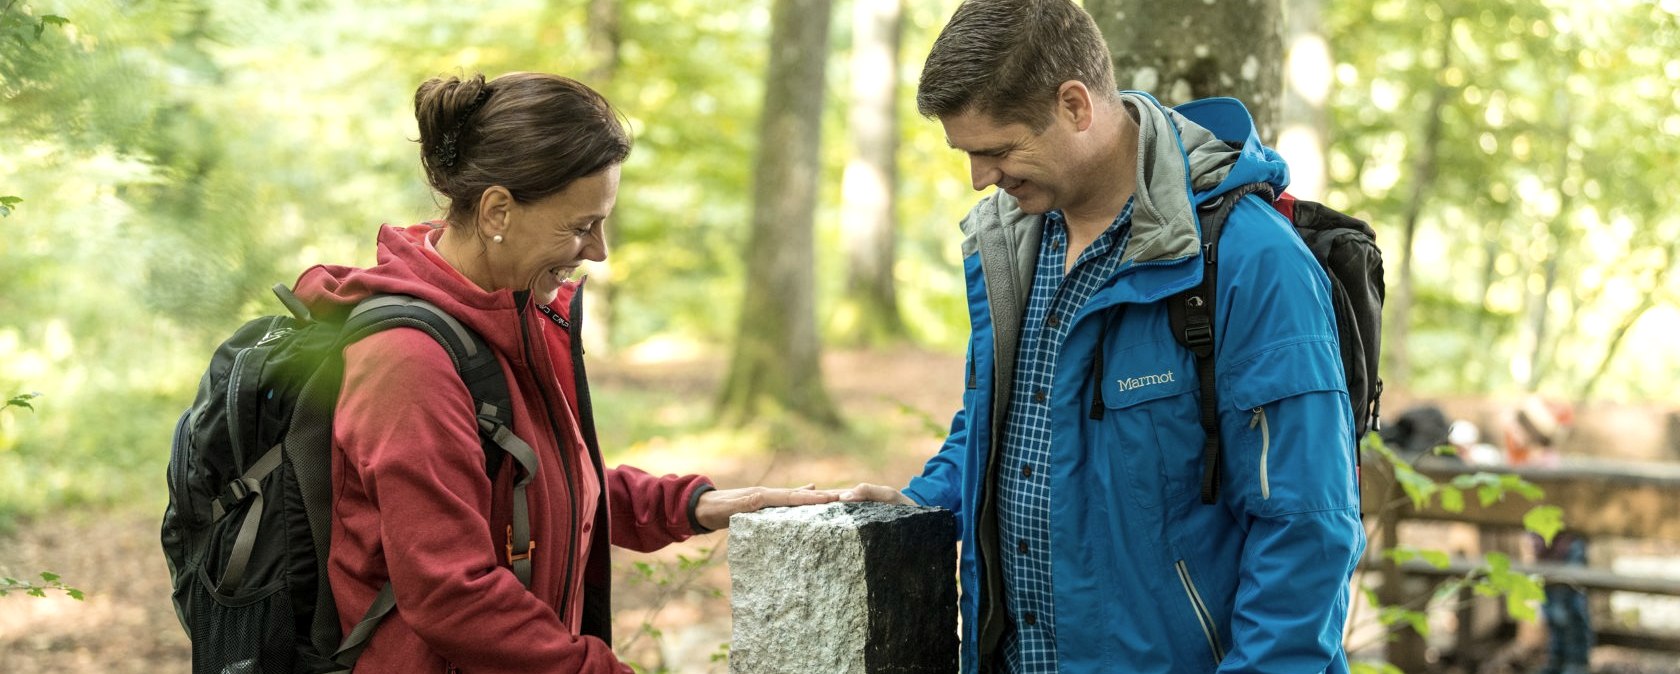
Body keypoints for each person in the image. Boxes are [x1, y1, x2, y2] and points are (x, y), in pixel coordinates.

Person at [840, 1, 1365, 671]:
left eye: (996, 150)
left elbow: (1308, 526)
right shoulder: (1013, 243)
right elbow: (1002, 427)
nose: (980, 178)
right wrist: (924, 500)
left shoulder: (1251, 261)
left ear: (1075, 106)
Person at [290, 72, 836, 673]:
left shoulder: (508, 314)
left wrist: (695, 505)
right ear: (498, 210)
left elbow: (539, 484)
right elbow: (451, 594)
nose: (599, 250)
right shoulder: (407, 362)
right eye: (581, 226)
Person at [1503, 396, 1592, 674]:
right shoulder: (1537, 463)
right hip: (1549, 549)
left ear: (1531, 432)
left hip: (1563, 548)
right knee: (1553, 609)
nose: (1513, 435)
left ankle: (1575, 661)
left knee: (1570, 608)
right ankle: (1557, 658)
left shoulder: (1546, 466)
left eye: (1518, 429)